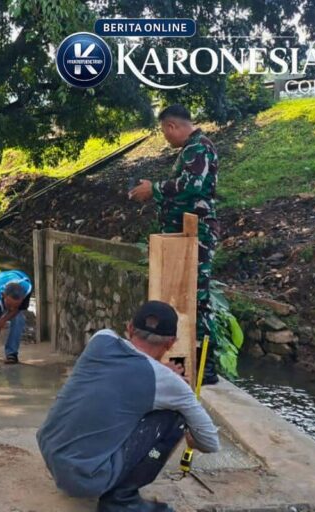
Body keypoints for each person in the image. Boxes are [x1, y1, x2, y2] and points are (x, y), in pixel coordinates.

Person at [37, 301, 220, 512]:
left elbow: (125, 373)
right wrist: (192, 437)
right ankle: (122, 500)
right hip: (85, 479)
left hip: (54, 458)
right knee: (175, 416)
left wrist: (162, 372)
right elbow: (210, 442)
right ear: (171, 343)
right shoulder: (168, 383)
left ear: (130, 328)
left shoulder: (101, 339)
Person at [128, 104, 220, 385]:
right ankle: (185, 361)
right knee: (182, 299)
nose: (166, 139)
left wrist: (153, 189)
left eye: (164, 133)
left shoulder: (198, 148)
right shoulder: (191, 148)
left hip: (197, 237)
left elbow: (191, 185)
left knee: (198, 300)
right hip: (184, 238)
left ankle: (207, 367)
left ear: (171, 126)